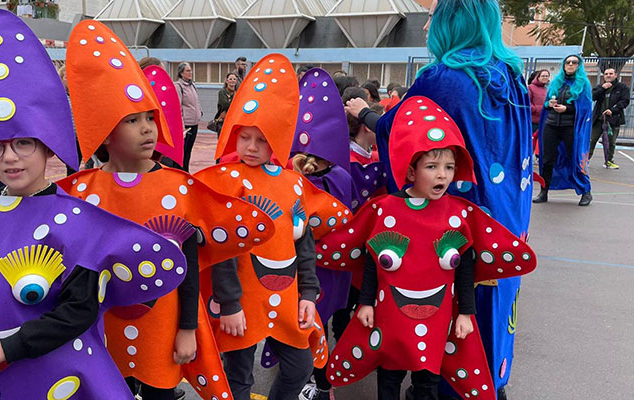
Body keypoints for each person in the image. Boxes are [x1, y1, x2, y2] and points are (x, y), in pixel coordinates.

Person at [0, 10, 187, 398]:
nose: (10, 158)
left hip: (60, 379)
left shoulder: (74, 221)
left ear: (45, 143)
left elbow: (77, 311)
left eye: (23, 143)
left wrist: (5, 347)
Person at [59, 20, 274, 400]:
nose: (147, 129)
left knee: (160, 391)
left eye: (150, 118)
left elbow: (187, 265)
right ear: (106, 131)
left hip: (164, 326)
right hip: (100, 328)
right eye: (132, 120)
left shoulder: (175, 187)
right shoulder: (81, 191)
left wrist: (187, 328)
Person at [345, 0, 534, 397]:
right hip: (505, 224)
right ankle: (491, 384)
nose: (428, 24)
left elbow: (403, 137)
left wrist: (365, 114)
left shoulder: (443, 78)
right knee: (492, 320)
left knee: (450, 322)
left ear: (453, 21)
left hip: (455, 225)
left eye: (434, 16)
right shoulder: (510, 76)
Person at [319, 96, 537, 400]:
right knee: (389, 378)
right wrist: (366, 303)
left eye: (449, 167)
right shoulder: (386, 210)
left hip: (436, 322)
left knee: (427, 382)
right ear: (411, 171)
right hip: (390, 316)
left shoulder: (458, 214)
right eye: (432, 166)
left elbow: (466, 266)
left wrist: (466, 314)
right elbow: (372, 262)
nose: (442, 175)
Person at [195, 54, 349, 400]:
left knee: (299, 367)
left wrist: (308, 293)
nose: (250, 147)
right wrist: (230, 303)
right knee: (238, 377)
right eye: (244, 137)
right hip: (242, 300)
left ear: (277, 140)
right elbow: (222, 247)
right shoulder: (226, 182)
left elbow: (303, 244)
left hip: (287, 298)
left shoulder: (293, 184)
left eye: (261, 139)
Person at [291, 68, 385, 400]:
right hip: (314, 262)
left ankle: (327, 376)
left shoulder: (344, 173)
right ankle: (318, 379)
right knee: (313, 318)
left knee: (333, 315)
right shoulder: (333, 173)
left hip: (340, 260)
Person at [533, 55, 593, 206]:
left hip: (570, 128)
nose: (570, 64)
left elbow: (585, 108)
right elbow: (546, 104)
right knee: (547, 160)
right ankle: (544, 191)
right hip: (551, 126)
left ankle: (586, 191)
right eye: (568, 62)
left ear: (579, 65)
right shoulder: (556, 82)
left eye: (574, 62)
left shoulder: (583, 84)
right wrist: (549, 103)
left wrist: (567, 108)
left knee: (576, 158)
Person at [589, 67, 630, 169]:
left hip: (613, 119)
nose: (608, 75)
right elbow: (591, 96)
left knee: (611, 142)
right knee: (591, 140)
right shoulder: (600, 87)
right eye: (606, 73)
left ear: (615, 75)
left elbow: (625, 101)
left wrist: (613, 110)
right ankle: (585, 161)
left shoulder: (622, 87)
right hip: (598, 119)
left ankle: (609, 161)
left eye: (611, 73)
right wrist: (602, 88)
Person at [174, 62, 202, 171]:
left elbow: (196, 102)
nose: (190, 73)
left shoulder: (192, 85)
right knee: (182, 151)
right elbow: (178, 107)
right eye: (188, 71)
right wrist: (181, 126)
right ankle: (179, 171)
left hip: (194, 123)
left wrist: (200, 112)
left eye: (191, 70)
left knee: (188, 151)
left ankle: (186, 170)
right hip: (186, 125)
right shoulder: (179, 86)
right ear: (181, 73)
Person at [528, 69, 550, 134]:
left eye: (547, 76)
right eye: (543, 76)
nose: (545, 77)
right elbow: (526, 102)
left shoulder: (549, 89)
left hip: (545, 120)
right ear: (538, 77)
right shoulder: (530, 87)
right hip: (533, 121)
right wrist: (536, 109)